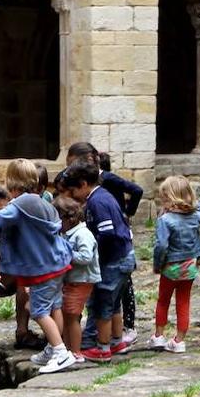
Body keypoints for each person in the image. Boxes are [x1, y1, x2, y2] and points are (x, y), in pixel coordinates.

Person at [0, 159, 76, 373]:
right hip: (57, 263)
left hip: (43, 268)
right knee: (54, 306)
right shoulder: (42, 201)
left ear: (11, 181)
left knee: (38, 311)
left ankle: (60, 352)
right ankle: (53, 346)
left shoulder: (21, 204)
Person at [64, 160, 135, 362]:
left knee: (103, 304)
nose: (72, 196)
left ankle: (102, 348)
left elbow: (107, 234)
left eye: (73, 190)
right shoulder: (104, 196)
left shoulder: (97, 202)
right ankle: (117, 340)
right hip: (124, 257)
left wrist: (95, 257)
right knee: (114, 305)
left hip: (113, 260)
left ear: (83, 184)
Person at [0, 183, 42, 348]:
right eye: (0, 211)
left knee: (26, 277)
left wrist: (3, 259)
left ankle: (22, 333)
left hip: (5, 276)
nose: (6, 214)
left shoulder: (8, 223)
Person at [148, 176, 200, 354]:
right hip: (190, 266)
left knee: (163, 300)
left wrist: (157, 265)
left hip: (170, 267)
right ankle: (179, 341)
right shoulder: (195, 216)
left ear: (171, 199)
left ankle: (158, 336)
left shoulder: (165, 220)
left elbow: (161, 246)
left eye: (164, 199)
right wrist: (195, 203)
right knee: (184, 302)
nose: (163, 203)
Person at [97, 151, 143, 345]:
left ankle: (129, 326)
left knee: (125, 282)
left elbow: (137, 190)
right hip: (113, 229)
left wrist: (127, 213)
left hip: (119, 232)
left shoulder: (107, 178)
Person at [54, 195, 99, 359]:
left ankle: (75, 352)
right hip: (72, 280)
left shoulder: (82, 234)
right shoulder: (67, 233)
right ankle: (67, 349)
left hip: (81, 281)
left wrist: (67, 254)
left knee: (72, 316)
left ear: (67, 218)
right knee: (67, 315)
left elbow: (86, 257)